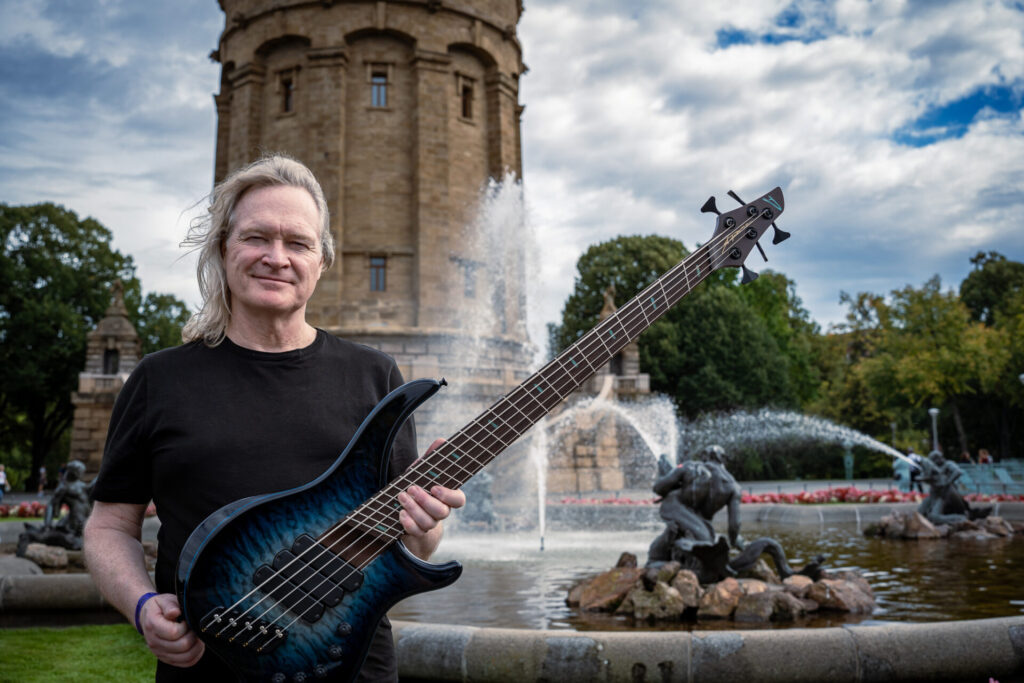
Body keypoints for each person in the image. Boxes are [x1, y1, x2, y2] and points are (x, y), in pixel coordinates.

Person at [83, 155, 465, 682]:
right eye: (256, 237)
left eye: (298, 243)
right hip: (204, 669)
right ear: (224, 248)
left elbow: (412, 542)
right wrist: (142, 603)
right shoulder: (159, 380)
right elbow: (109, 527)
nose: (276, 258)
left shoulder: (375, 376)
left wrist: (427, 526)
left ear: (322, 261)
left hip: (354, 668)